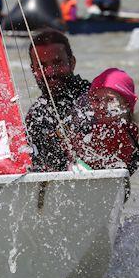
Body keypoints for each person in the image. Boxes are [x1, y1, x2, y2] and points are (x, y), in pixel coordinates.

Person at [25, 29, 90, 172]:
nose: (50, 72)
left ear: (72, 63)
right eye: (41, 66)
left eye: (57, 62)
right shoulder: (35, 115)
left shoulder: (96, 100)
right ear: (33, 70)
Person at [69, 68, 139, 176]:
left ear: (126, 103)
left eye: (110, 100)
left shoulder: (121, 132)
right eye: (97, 100)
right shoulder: (98, 126)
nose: (102, 106)